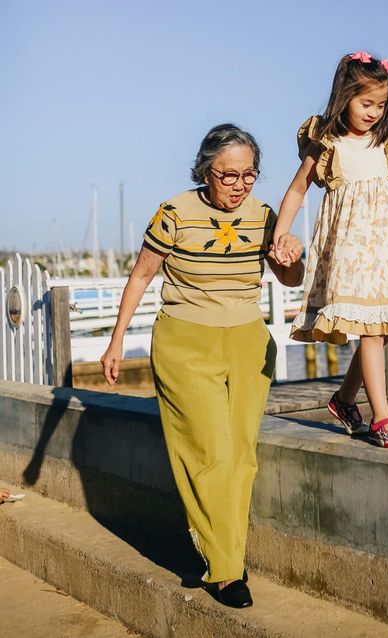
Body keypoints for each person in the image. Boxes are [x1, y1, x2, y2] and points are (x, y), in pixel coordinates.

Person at [100, 124, 304, 609]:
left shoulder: (264, 216)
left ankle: (225, 552)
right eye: (227, 175)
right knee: (209, 453)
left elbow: (290, 278)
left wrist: (293, 255)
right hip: (185, 341)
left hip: (249, 343)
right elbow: (143, 275)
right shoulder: (175, 212)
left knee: (241, 457)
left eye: (249, 175)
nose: (239, 185)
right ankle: (226, 568)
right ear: (204, 171)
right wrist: (115, 342)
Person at [273, 51, 388, 448]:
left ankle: (344, 400)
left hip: (385, 246)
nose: (373, 112)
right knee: (371, 329)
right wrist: (281, 235)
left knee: (383, 328)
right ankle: (381, 417)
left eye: (381, 104)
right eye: (366, 103)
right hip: (350, 246)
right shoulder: (327, 142)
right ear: (344, 97)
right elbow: (298, 189)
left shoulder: (385, 140)